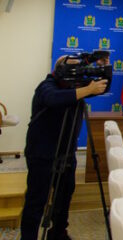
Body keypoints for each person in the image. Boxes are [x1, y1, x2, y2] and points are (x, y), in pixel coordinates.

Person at [22, 56, 108, 240]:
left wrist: (104, 67)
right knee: (36, 200)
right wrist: (87, 90)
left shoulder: (74, 86)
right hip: (42, 153)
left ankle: (58, 233)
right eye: (74, 70)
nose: (78, 74)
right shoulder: (46, 86)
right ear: (61, 71)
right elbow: (54, 99)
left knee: (64, 197)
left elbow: (103, 87)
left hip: (66, 152)